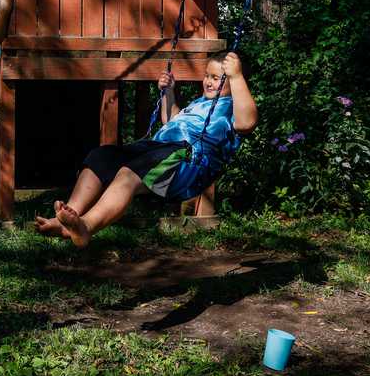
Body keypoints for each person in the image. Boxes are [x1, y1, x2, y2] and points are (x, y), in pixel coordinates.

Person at [35, 51, 258, 248]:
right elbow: (172, 122)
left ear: (235, 82)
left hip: (187, 162)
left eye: (217, 78)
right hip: (161, 149)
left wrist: (237, 77)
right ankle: (67, 218)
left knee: (129, 173)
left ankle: (87, 226)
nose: (208, 82)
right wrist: (169, 93)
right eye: (207, 76)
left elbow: (247, 122)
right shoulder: (200, 103)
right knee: (101, 157)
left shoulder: (231, 106)